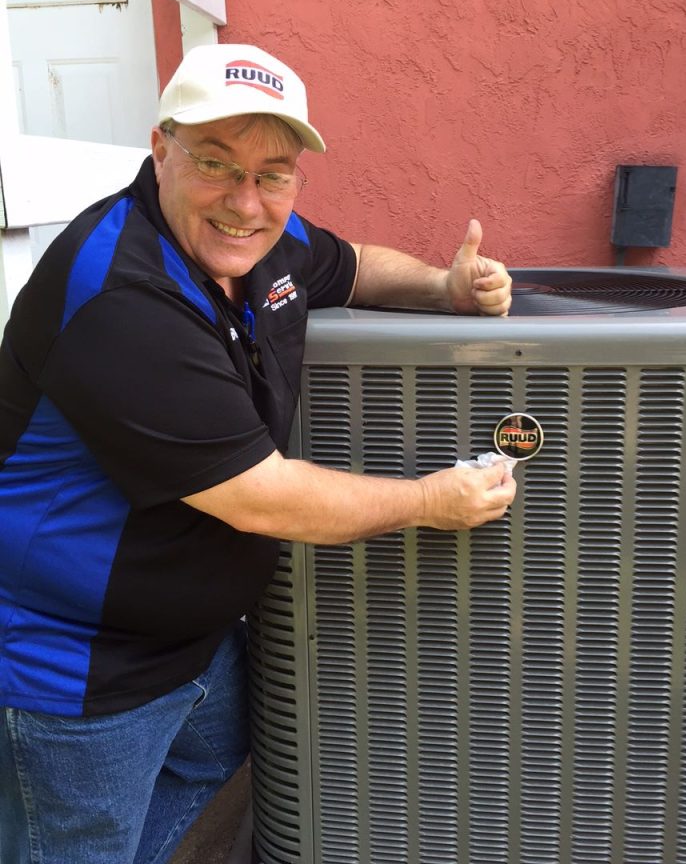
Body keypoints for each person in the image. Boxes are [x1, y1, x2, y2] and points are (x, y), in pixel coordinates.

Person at [0, 43, 516, 864]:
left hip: (196, 640)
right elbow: (262, 499)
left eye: (273, 173)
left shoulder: (261, 238)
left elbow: (347, 269)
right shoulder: (122, 297)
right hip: (81, 666)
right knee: (76, 843)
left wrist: (441, 287)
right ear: (161, 148)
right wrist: (431, 500)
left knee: (219, 760)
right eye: (216, 162)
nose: (246, 202)